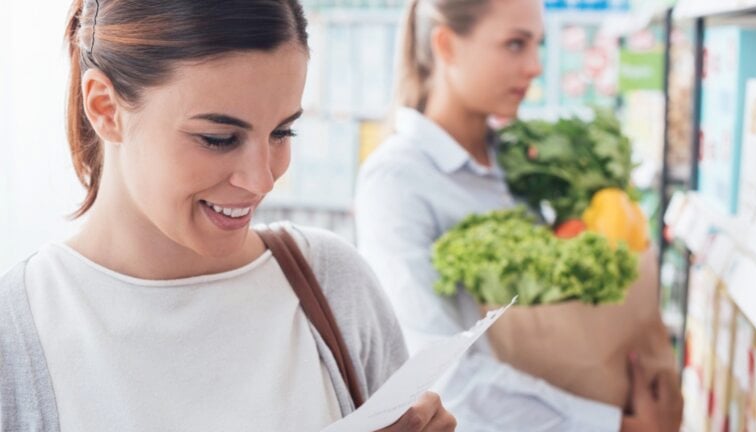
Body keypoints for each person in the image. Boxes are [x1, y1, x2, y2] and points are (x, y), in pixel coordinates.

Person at [0, 1, 457, 431]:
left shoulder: (333, 285)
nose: (262, 180)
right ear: (104, 107)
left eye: (282, 131)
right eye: (218, 138)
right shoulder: (16, 333)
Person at [354, 0, 683, 430]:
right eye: (515, 45)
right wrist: (615, 425)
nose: (534, 67)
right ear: (446, 45)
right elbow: (441, 374)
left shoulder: (518, 161)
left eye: (538, 46)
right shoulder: (397, 179)